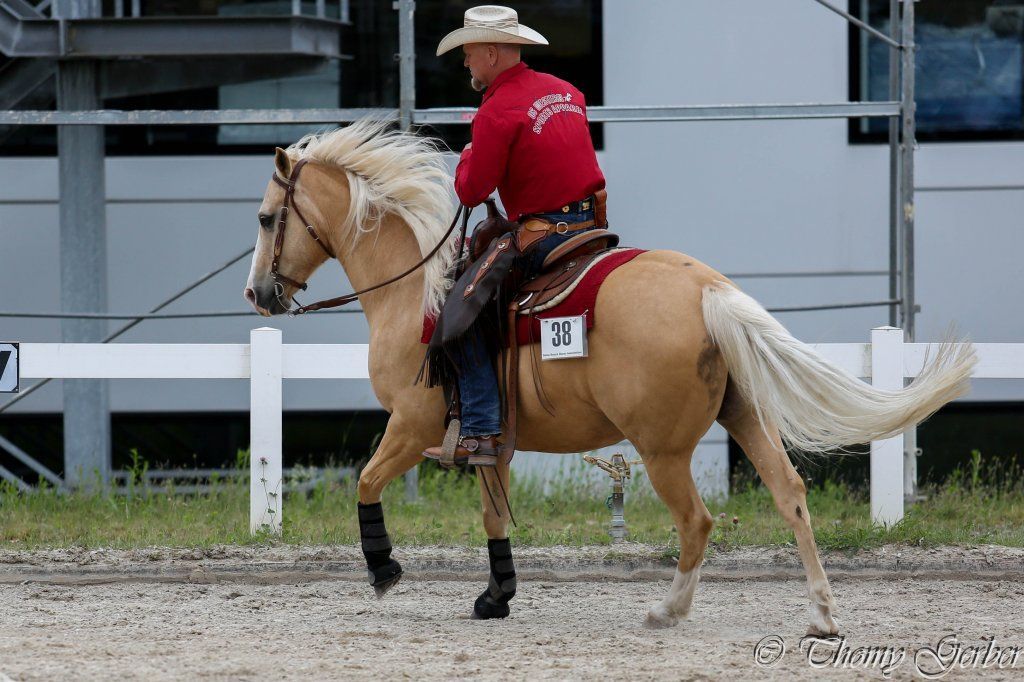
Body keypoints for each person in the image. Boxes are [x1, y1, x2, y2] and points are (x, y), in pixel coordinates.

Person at [422, 5, 607, 467]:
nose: (465, 62)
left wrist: (467, 154)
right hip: (591, 229)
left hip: (541, 236)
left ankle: (481, 429)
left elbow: (471, 190)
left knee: (461, 307)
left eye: (467, 53)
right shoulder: (569, 94)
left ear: (490, 52)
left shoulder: (496, 110)